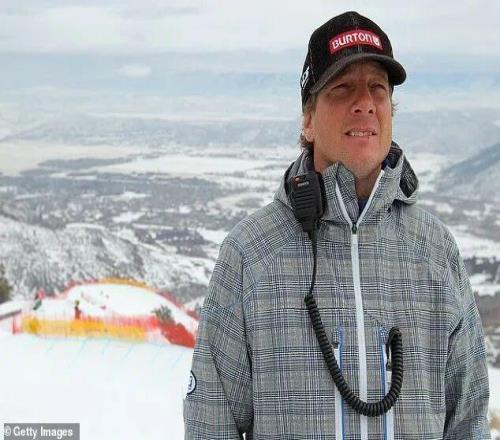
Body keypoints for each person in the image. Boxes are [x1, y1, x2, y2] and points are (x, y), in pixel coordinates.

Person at [183, 11, 490, 439]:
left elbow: (469, 421)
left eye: (378, 88)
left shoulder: (435, 249)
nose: (365, 102)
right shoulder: (250, 254)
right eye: (342, 87)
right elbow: (210, 424)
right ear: (308, 120)